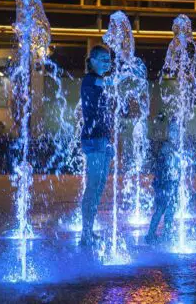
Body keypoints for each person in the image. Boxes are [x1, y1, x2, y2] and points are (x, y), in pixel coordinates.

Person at [80, 44, 127, 246]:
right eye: (102, 58)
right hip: (94, 139)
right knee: (92, 186)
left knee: (98, 187)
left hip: (103, 139)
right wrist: (126, 75)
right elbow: (106, 84)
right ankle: (85, 234)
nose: (107, 62)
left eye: (109, 59)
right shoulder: (91, 80)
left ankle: (88, 231)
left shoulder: (100, 81)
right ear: (91, 61)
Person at [145, 118, 196, 244]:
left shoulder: (175, 148)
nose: (175, 133)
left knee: (170, 211)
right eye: (172, 130)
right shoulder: (167, 148)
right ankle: (151, 235)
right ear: (169, 131)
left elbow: (181, 161)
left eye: (177, 130)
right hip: (165, 184)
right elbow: (176, 162)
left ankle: (165, 234)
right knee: (161, 209)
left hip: (172, 184)